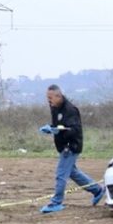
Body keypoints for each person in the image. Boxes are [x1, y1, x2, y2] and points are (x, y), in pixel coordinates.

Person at [39, 85, 105, 214]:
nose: (49, 101)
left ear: (58, 96)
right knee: (73, 172)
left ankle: (56, 202)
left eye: (50, 98)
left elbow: (74, 129)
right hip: (63, 146)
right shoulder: (54, 108)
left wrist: (58, 131)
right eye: (47, 98)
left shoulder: (71, 110)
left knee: (61, 174)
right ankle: (97, 190)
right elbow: (58, 125)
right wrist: (51, 128)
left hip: (71, 146)